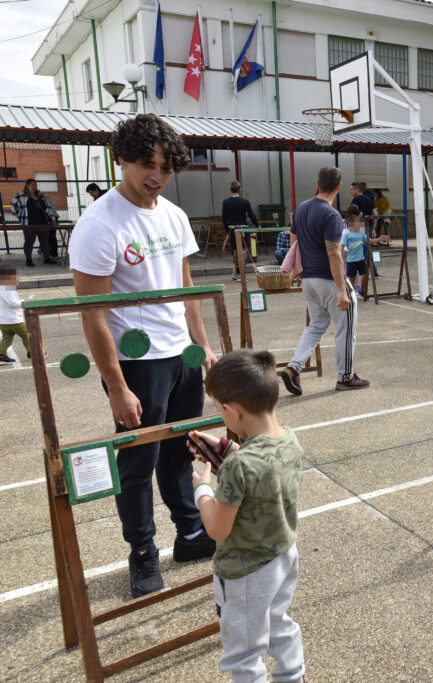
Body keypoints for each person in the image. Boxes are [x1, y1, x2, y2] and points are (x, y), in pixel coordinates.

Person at [69, 113, 219, 598]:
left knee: (180, 449)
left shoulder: (172, 215)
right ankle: (142, 553)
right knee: (136, 464)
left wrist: (203, 346)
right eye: (145, 164)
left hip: (181, 356)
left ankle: (192, 534)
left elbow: (185, 288)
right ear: (122, 159)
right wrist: (116, 386)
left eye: (165, 167)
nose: (156, 175)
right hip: (138, 364)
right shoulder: (98, 224)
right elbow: (93, 315)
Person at [188, 349, 305, 683]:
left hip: (244, 571)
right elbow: (262, 466)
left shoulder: (239, 468)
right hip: (282, 557)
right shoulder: (289, 439)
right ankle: (293, 675)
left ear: (231, 411)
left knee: (243, 650)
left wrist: (203, 490)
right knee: (278, 621)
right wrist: (226, 448)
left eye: (219, 409)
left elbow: (217, 528)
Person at [280, 167, 369, 395]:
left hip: (308, 279)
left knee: (316, 325)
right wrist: (342, 289)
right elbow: (334, 253)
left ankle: (293, 367)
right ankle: (345, 377)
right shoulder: (331, 215)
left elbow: (294, 240)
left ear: (317, 183)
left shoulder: (301, 209)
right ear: (338, 188)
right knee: (346, 328)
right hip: (329, 279)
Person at [10, 178, 60, 266]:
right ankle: (28, 260)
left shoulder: (41, 196)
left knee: (45, 242)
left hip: (43, 223)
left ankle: (47, 258)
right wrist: (20, 216)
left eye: (35, 184)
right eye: (33, 185)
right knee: (29, 242)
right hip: (29, 225)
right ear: (27, 185)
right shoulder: (20, 196)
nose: (35, 186)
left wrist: (52, 219)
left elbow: (48, 208)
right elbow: (12, 206)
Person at [341, 205, 385, 300]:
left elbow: (364, 238)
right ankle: (353, 290)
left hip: (348, 251)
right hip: (352, 252)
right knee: (353, 273)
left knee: (351, 271)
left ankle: (355, 289)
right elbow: (361, 236)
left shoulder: (344, 222)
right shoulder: (355, 224)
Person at [221, 180, 259, 281]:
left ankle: (238, 274)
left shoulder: (226, 202)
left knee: (235, 252)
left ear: (230, 190)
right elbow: (251, 215)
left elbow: (224, 218)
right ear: (239, 190)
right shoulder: (245, 202)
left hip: (232, 229)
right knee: (243, 251)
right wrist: (257, 224)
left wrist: (227, 230)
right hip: (243, 229)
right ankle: (243, 274)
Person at [0, 264, 29, 364]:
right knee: (27, 335)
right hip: (13, 319)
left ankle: (1, 355)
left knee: (7, 338)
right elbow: (12, 303)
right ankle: (32, 353)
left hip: (3, 320)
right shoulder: (7, 288)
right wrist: (22, 303)